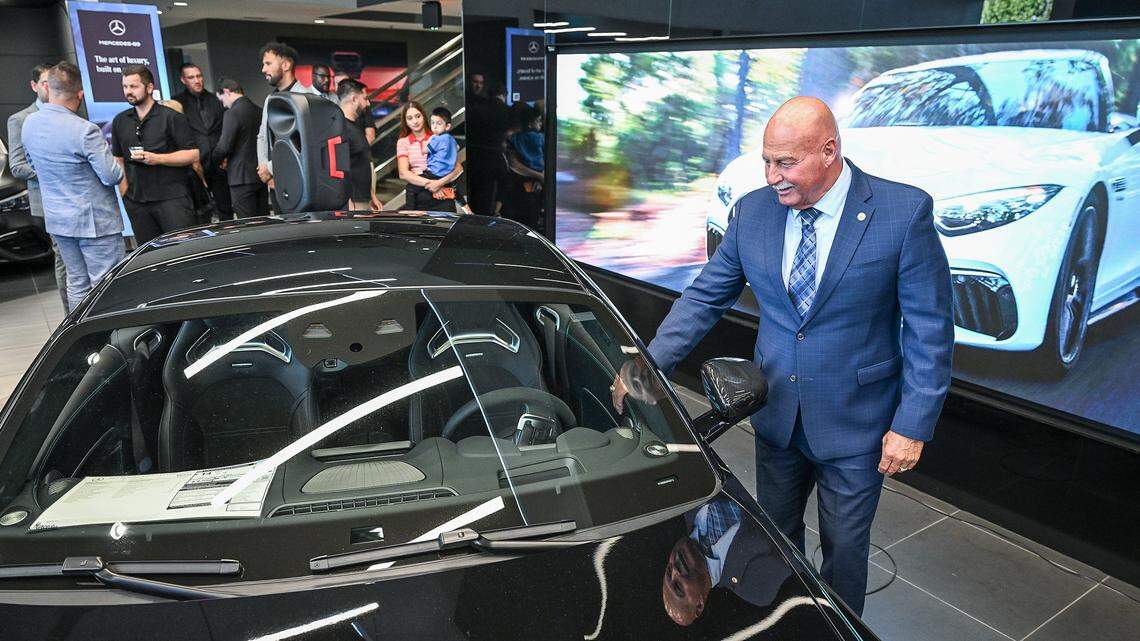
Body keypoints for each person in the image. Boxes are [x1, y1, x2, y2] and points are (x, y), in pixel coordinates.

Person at [614, 96, 954, 615]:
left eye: (786, 163)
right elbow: (705, 297)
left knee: (843, 551)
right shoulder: (753, 212)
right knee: (773, 541)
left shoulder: (902, 213)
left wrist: (913, 424)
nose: (772, 176)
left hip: (856, 423)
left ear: (829, 151)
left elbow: (930, 329)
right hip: (776, 415)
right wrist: (648, 364)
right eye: (767, 161)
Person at [20, 62, 125, 311]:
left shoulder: (29, 124)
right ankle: (105, 331)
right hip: (95, 222)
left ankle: (81, 330)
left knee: (77, 282)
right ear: (80, 94)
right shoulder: (85, 130)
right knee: (106, 284)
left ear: (48, 88)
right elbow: (111, 176)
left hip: (58, 220)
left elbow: (32, 164)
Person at [662, 498, 791, 627]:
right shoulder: (757, 587)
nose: (675, 571)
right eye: (678, 587)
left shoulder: (683, 502)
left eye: (669, 570)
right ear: (700, 604)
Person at [110, 65, 200, 244]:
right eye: (125, 86)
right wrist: (125, 193)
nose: (128, 91)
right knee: (149, 254)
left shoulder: (172, 117)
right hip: (137, 201)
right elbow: (118, 159)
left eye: (134, 86)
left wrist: (158, 158)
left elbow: (193, 154)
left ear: (149, 87)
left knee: (181, 250)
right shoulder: (120, 121)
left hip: (172, 199)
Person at [7, 62, 68, 310]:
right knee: (64, 259)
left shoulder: (69, 113)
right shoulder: (20, 119)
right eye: (45, 83)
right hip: (49, 199)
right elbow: (17, 166)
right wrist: (54, 171)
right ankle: (71, 317)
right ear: (35, 86)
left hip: (76, 197)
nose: (50, 87)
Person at [255, 41, 320, 207]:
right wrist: (265, 170)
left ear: (286, 65)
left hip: (299, 181)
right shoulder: (270, 99)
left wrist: (271, 168)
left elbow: (304, 143)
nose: (263, 69)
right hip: (275, 182)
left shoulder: (306, 99)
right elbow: (262, 136)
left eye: (268, 63)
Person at [172, 63, 231, 219]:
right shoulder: (176, 103)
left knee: (225, 209)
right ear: (183, 80)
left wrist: (226, 155)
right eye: (191, 77)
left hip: (219, 162)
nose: (197, 81)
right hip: (194, 165)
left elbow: (225, 128)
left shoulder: (216, 100)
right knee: (199, 213)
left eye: (199, 76)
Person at [211, 78, 268, 218]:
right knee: (264, 221)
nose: (223, 104)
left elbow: (224, 147)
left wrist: (215, 161)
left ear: (226, 91)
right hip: (261, 174)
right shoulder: (259, 110)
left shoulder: (232, 113)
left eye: (221, 99)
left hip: (239, 177)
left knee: (247, 224)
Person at [396, 101, 462, 211]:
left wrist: (439, 184)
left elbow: (458, 168)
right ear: (405, 121)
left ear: (424, 116)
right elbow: (403, 173)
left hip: (442, 195)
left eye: (418, 116)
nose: (415, 121)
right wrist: (431, 184)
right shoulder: (403, 142)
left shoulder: (439, 138)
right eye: (410, 118)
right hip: (418, 196)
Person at [336, 79, 380, 210]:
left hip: (363, 198)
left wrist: (372, 195)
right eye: (365, 98)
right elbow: (339, 168)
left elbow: (362, 161)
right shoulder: (341, 128)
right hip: (353, 203)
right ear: (354, 99)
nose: (368, 103)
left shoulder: (354, 126)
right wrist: (347, 201)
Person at [422, 107, 468, 213]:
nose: (434, 126)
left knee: (413, 187)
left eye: (438, 123)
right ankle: (467, 209)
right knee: (454, 191)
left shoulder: (437, 138)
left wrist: (427, 141)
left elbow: (425, 150)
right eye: (432, 123)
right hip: (448, 172)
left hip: (435, 172)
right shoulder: (450, 138)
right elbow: (457, 147)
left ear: (447, 126)